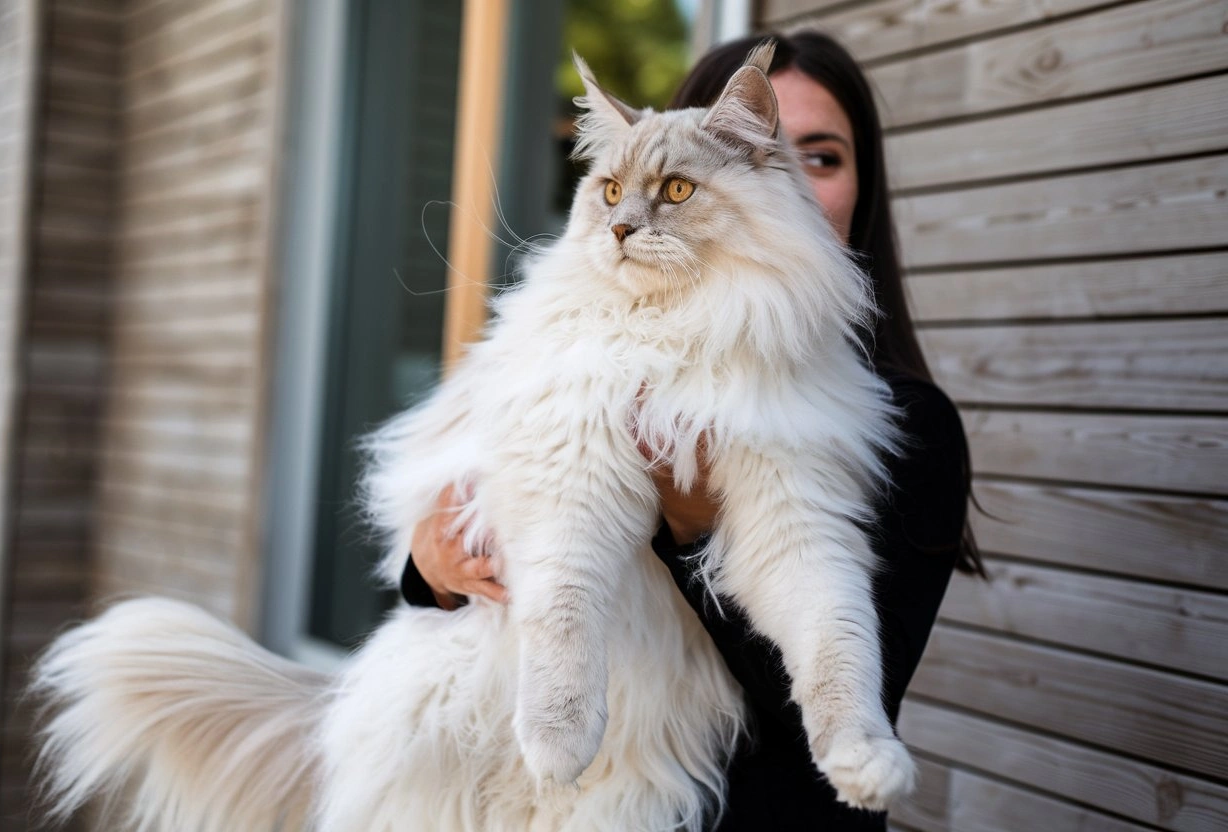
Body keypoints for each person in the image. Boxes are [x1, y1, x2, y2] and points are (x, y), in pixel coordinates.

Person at [401, 30, 984, 831]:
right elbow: (531, 513)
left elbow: (799, 561)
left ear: (859, 185)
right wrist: (428, 565)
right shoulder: (569, 337)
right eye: (613, 190)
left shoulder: (910, 422)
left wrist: (693, 518)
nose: (628, 221)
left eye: (822, 156)